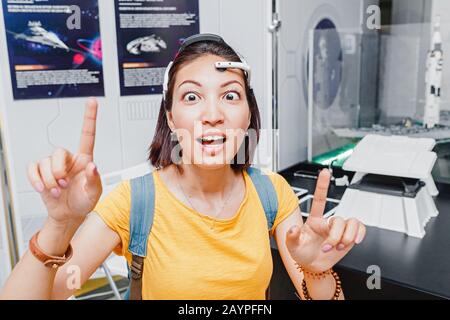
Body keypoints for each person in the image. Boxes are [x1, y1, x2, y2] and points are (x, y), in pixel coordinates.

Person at [0, 34, 365, 300]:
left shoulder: (272, 193)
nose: (212, 115)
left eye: (230, 95)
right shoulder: (134, 201)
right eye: (192, 97)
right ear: (172, 119)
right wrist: (59, 224)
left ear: (248, 115)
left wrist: (317, 269)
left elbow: (314, 292)